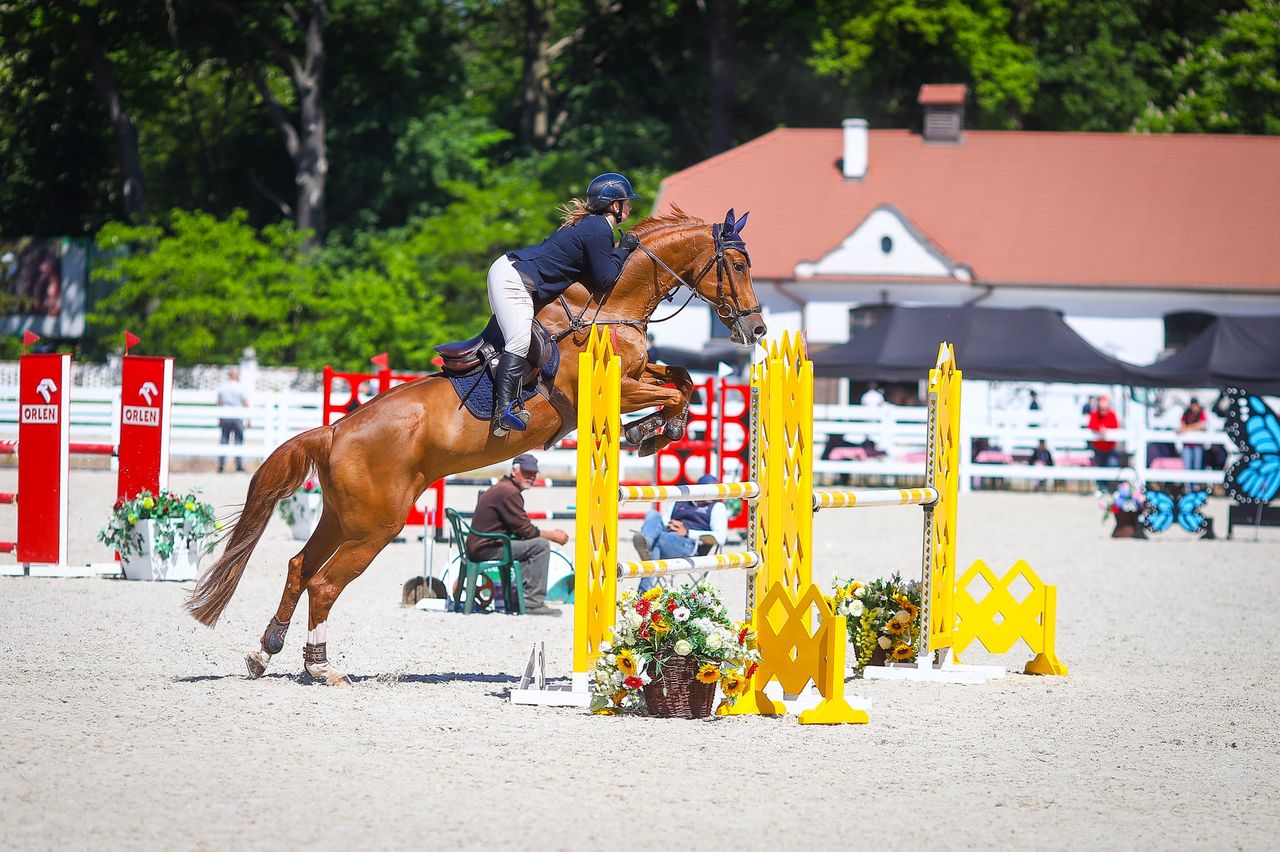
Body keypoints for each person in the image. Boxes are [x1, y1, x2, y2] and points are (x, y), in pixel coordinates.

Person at [485, 172, 643, 436]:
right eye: (627, 202)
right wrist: (624, 249)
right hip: (514, 280)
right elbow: (605, 279)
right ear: (614, 205)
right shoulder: (598, 229)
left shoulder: (594, 226)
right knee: (519, 342)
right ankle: (502, 412)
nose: (630, 207)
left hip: (518, 276)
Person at [466, 454, 567, 616]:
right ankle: (532, 603)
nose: (531, 477)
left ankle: (519, 599)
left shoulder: (504, 487)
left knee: (532, 544)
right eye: (527, 472)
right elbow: (525, 530)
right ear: (514, 471)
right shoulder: (509, 492)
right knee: (540, 546)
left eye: (533, 473)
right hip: (487, 548)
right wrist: (553, 535)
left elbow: (521, 528)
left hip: (481, 545)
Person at [632, 474, 729, 594]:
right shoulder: (681, 501)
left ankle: (643, 591)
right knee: (653, 514)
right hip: (667, 537)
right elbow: (664, 520)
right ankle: (648, 541)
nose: (713, 497)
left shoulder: (716, 507)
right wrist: (670, 525)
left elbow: (720, 538)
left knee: (656, 542)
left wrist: (687, 532)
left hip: (690, 545)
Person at [217, 367, 249, 473]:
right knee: (239, 440)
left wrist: (219, 416)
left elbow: (219, 402)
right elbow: (245, 403)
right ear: (237, 375)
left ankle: (221, 465)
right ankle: (239, 465)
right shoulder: (241, 387)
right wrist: (248, 418)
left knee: (224, 440)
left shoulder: (223, 387)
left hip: (225, 415)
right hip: (237, 416)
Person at [1087, 393, 1121, 468]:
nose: (1103, 411)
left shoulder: (1112, 415)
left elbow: (1116, 427)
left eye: (1105, 409)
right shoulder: (1094, 414)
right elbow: (1090, 425)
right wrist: (1099, 429)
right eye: (1101, 409)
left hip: (1110, 448)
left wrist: (1106, 430)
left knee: (1112, 465)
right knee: (1100, 469)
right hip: (1098, 449)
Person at [1178, 397, 1208, 470]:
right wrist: (1193, 427)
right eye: (1192, 405)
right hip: (1187, 444)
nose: (1193, 407)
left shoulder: (1201, 413)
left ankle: (1195, 481)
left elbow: (1201, 425)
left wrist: (1187, 428)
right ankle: (1187, 482)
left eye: (1195, 405)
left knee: (1197, 467)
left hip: (1197, 444)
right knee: (1187, 466)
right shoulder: (1186, 413)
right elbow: (1182, 426)